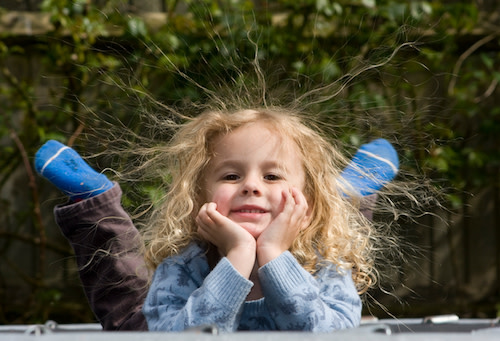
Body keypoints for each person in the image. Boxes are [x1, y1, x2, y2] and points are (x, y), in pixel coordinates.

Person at [35, 111, 398, 332]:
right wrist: (238, 258)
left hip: (312, 231)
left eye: (272, 177)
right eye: (230, 177)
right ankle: (94, 201)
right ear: (200, 199)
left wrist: (273, 253)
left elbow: (325, 334)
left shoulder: (326, 268)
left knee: (336, 231)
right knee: (132, 323)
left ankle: (347, 192)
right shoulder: (183, 268)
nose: (252, 186)